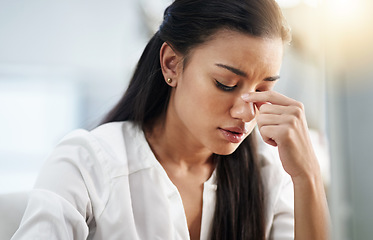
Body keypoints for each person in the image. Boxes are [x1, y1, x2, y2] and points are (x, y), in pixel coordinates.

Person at [12, 0, 329, 239]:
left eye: (263, 90)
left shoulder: (268, 174)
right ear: (171, 65)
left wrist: (308, 175)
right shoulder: (86, 165)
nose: (246, 113)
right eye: (226, 84)